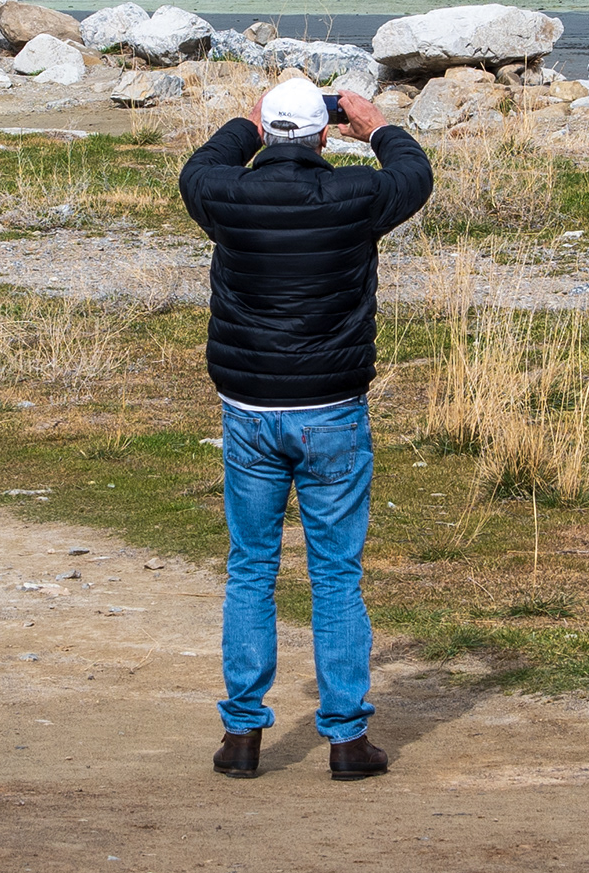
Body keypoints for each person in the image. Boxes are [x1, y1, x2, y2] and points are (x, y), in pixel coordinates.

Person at [177, 72, 433, 781]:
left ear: (268, 130)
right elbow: (414, 173)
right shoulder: (357, 198)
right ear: (323, 132)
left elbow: (198, 167)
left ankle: (242, 737)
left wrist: (247, 125)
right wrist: (375, 122)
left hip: (250, 409)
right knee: (336, 575)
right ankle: (347, 741)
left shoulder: (225, 196)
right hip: (332, 410)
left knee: (251, 570)